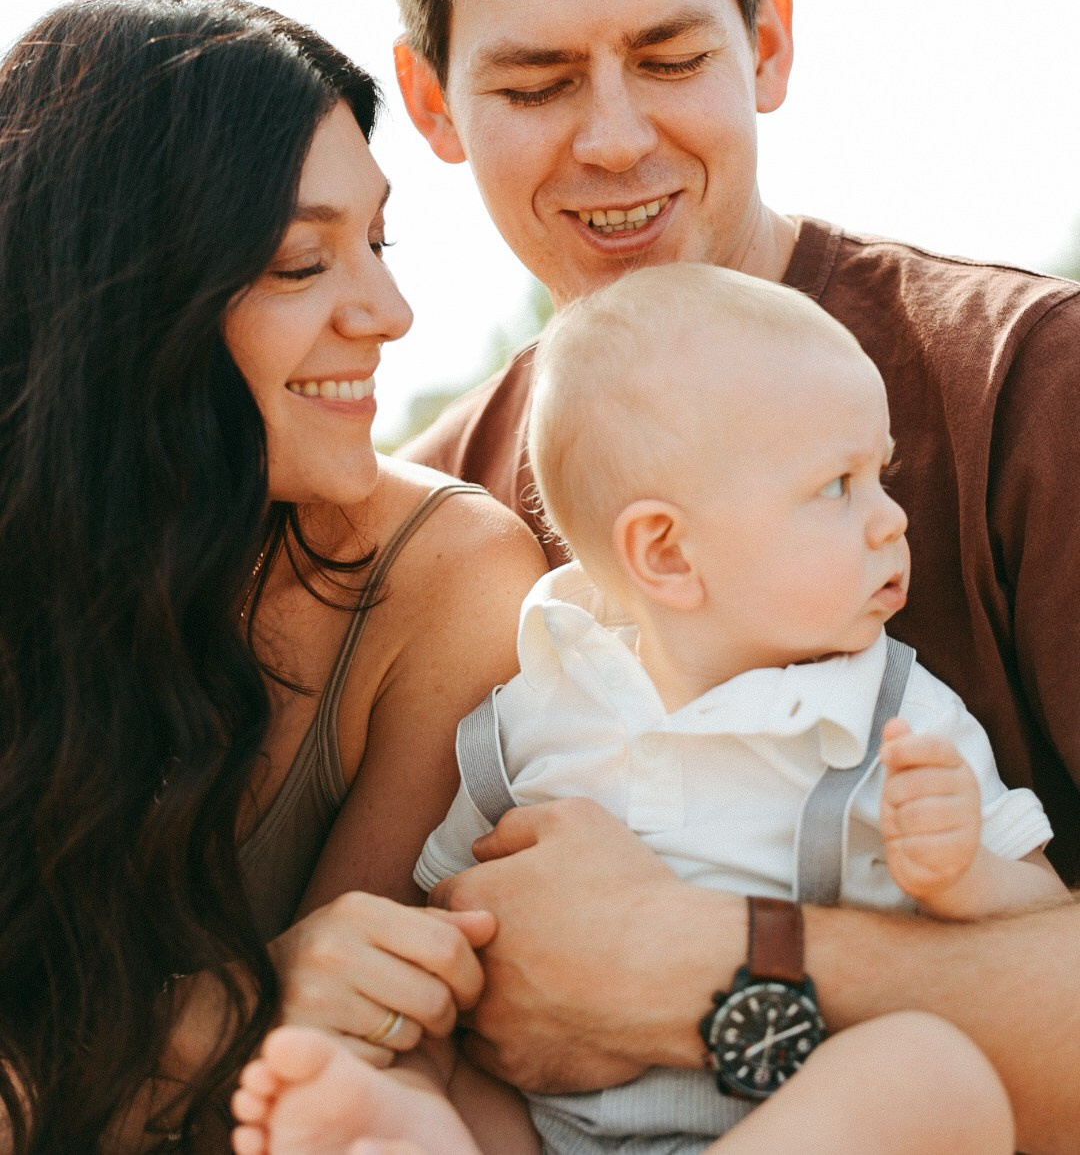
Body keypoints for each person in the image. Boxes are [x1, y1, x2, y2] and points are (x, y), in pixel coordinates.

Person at [379, 0, 1080, 1150]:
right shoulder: (439, 524)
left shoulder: (1024, 390)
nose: (617, 137)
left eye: (671, 56)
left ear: (766, 42)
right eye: (535, 82)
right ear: (435, 104)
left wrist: (708, 962)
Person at [228, 264, 1053, 1154]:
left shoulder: (895, 717)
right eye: (837, 487)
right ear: (664, 553)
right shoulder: (542, 701)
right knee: (419, 1039)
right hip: (550, 1125)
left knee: (931, 1074)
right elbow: (446, 909)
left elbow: (1035, 921)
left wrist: (967, 872)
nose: (892, 521)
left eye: (881, 478)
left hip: (782, 1126)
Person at [0, 0, 547, 1154]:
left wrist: (269, 1028)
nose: (389, 312)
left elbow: (345, 1083)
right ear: (132, 300)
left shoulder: (443, 579)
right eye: (304, 262)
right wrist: (221, 1015)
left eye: (378, 242)